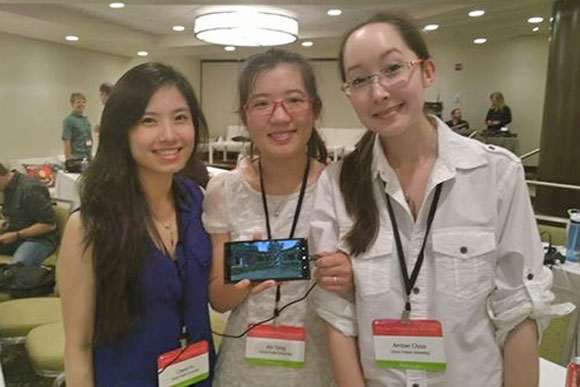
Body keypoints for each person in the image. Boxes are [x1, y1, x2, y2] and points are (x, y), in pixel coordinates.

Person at [309, 12, 563, 387]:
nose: (378, 92)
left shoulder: (495, 175)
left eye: (393, 68)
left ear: (427, 72)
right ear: (349, 92)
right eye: (360, 79)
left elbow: (518, 312)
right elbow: (338, 316)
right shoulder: (338, 185)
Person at [58, 62, 215, 386]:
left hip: (198, 374)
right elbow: (78, 347)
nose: (169, 135)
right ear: (122, 130)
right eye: (148, 121)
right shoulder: (88, 226)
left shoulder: (197, 200)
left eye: (180, 118)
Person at [202, 48, 351, 386]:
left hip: (320, 367)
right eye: (262, 103)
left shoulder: (343, 189)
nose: (280, 116)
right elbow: (218, 300)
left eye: (294, 100)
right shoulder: (223, 190)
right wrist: (242, 281)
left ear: (313, 108)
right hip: (243, 370)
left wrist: (351, 277)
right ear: (245, 115)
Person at [0, 162, 58, 265]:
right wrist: (5, 224)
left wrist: (17, 235)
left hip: (39, 239)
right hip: (16, 235)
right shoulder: (7, 188)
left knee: (15, 270)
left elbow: (49, 225)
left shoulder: (31, 188)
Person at [62, 92, 93, 161]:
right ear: (72, 104)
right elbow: (66, 141)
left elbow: (88, 139)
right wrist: (68, 159)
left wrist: (90, 156)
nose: (81, 104)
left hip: (87, 157)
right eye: (78, 102)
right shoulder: (69, 120)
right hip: (76, 158)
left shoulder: (86, 120)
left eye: (83, 102)